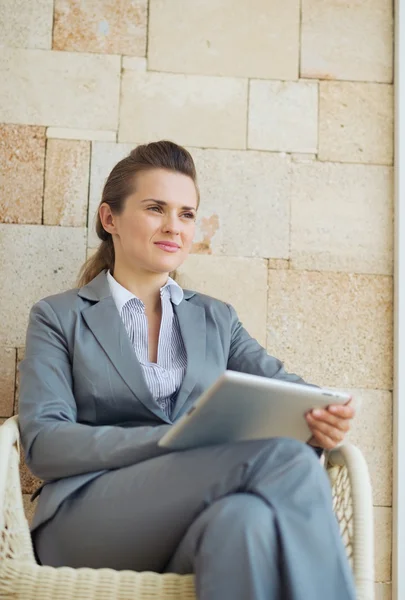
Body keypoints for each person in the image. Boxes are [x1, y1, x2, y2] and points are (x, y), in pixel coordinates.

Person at [19, 141, 356, 600]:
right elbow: (44, 444)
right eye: (156, 208)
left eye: (186, 214)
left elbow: (288, 390)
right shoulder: (59, 316)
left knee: (245, 523)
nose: (173, 227)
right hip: (88, 516)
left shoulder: (218, 319)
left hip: (189, 519)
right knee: (284, 458)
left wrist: (323, 416)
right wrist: (173, 442)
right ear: (109, 219)